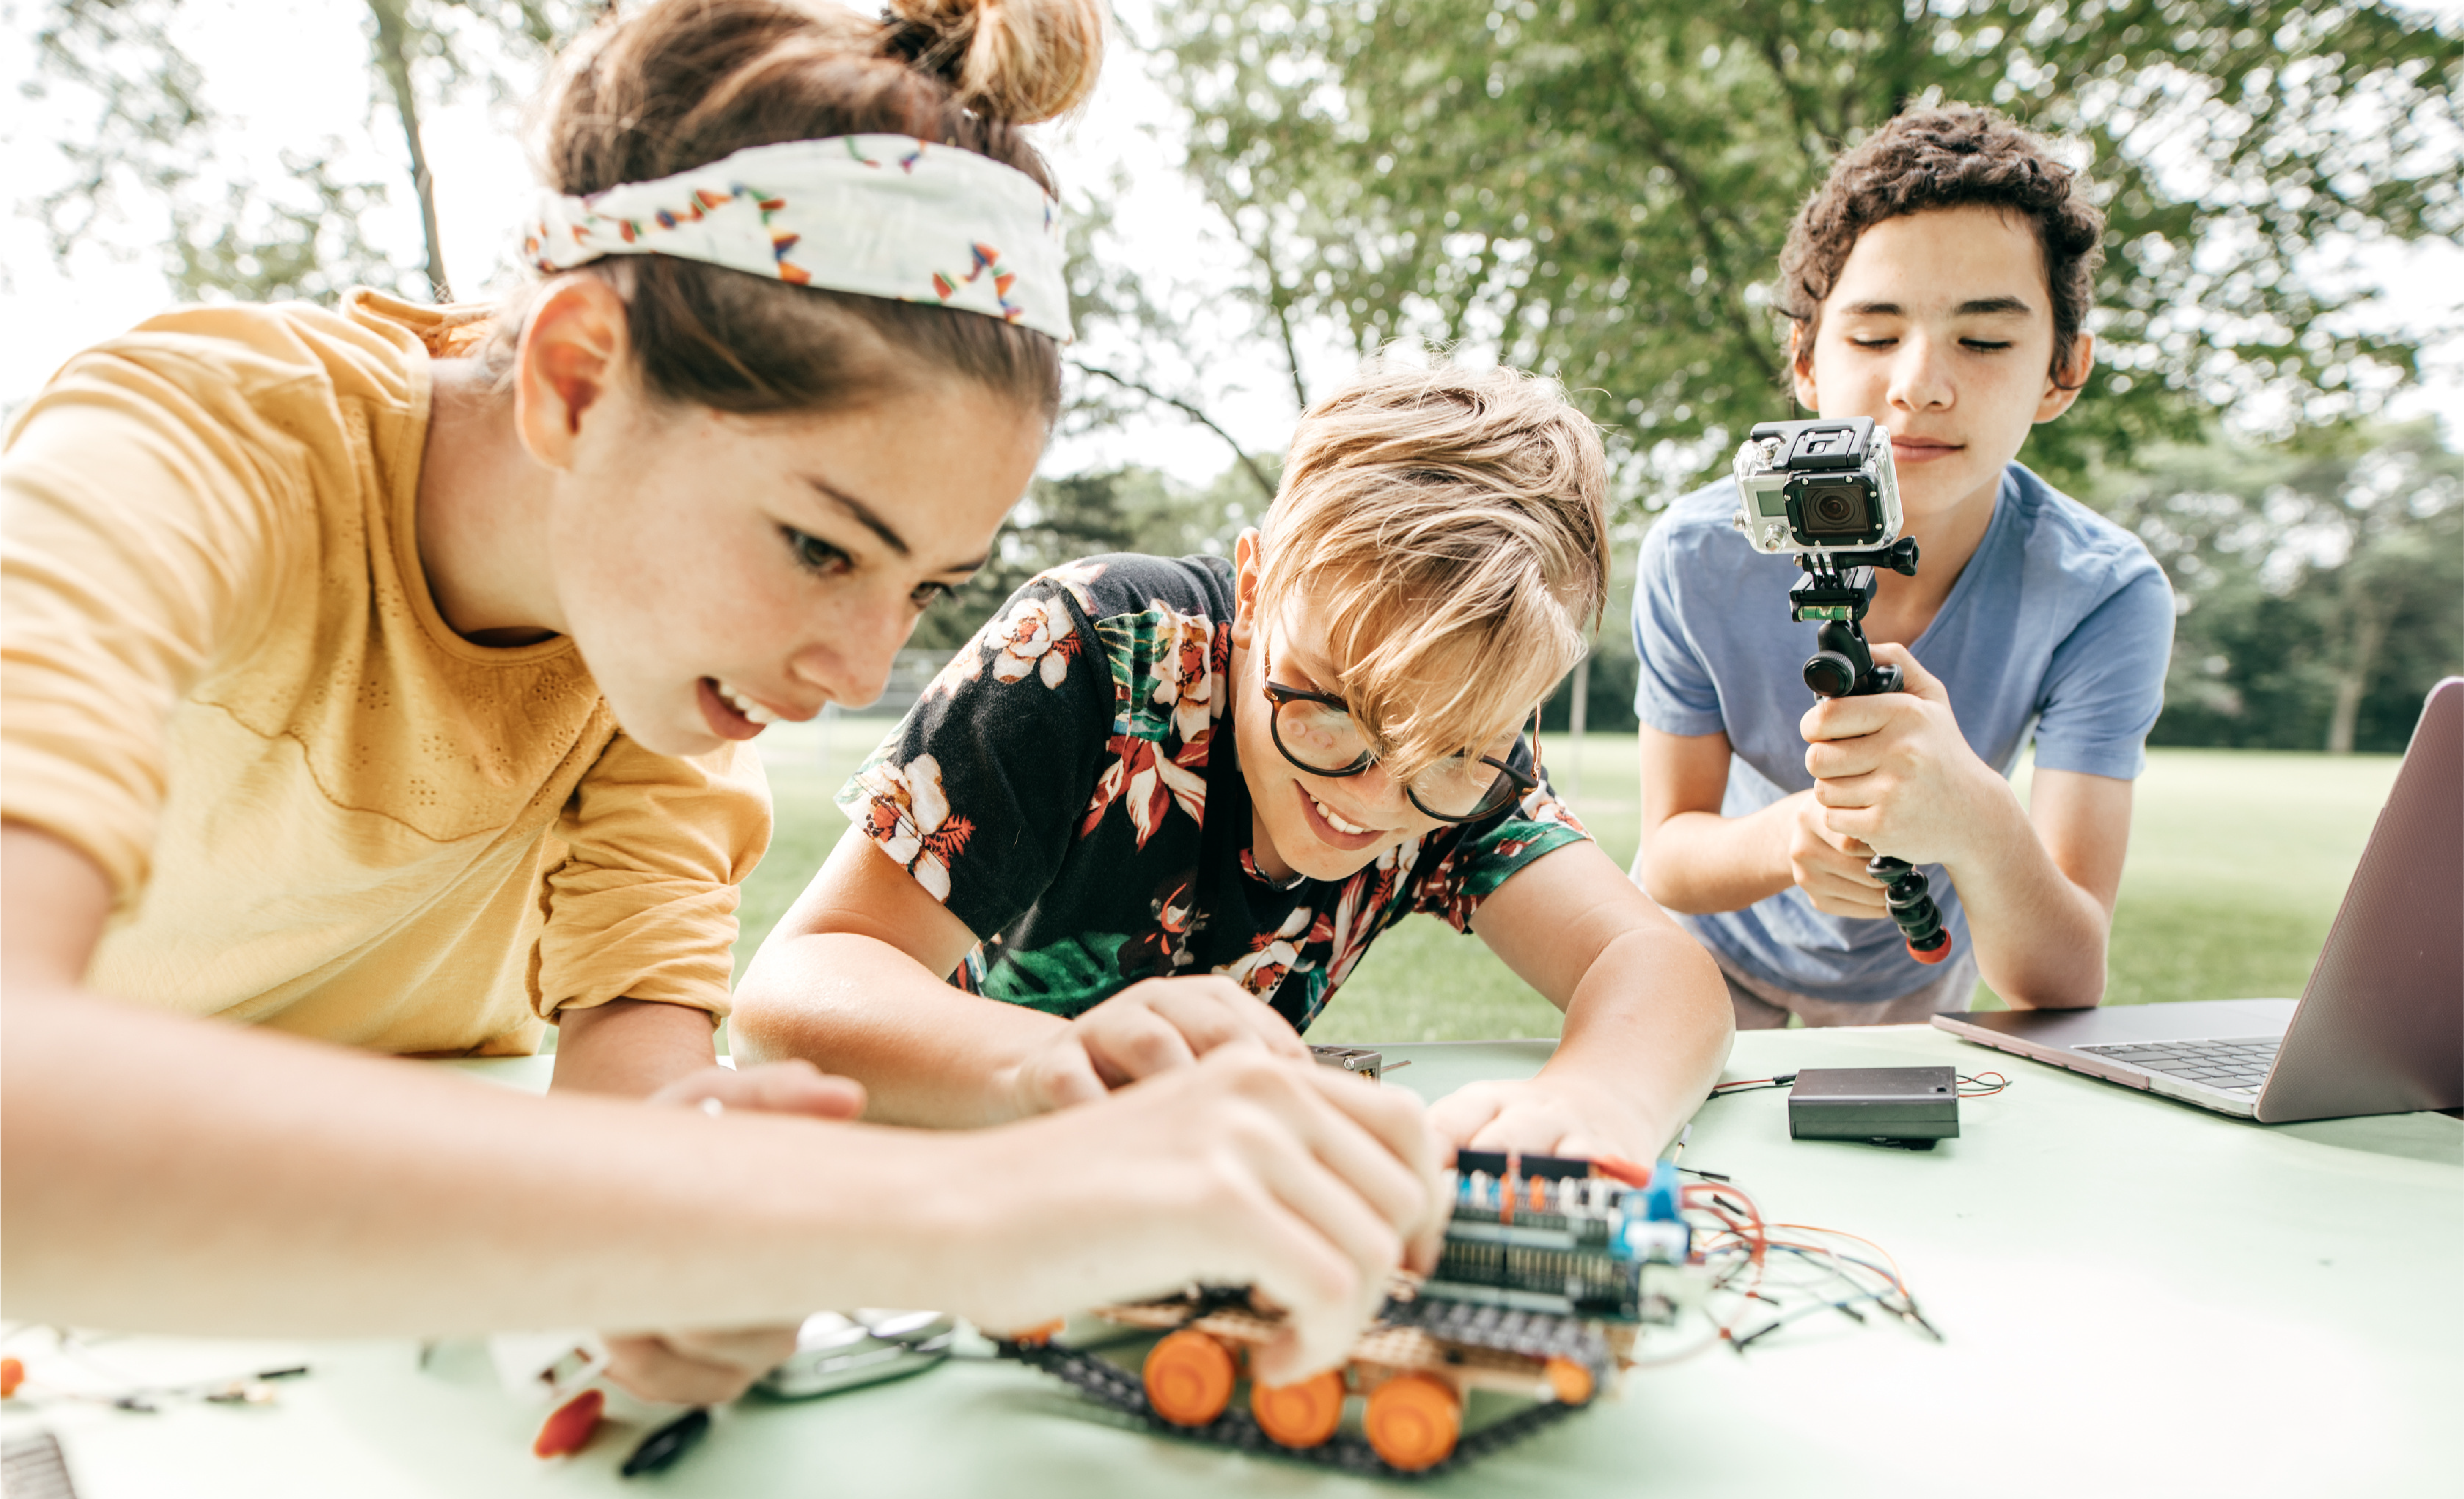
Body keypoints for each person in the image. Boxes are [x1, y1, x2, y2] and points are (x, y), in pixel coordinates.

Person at [1, 0, 1444, 1404]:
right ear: (576, 378)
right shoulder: (195, 444)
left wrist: (684, 1266)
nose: (856, 663)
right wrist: (945, 1212)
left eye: (922, 582)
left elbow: (637, 1123)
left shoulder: (669, 677)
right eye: (820, 544)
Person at [734, 364, 1734, 1164]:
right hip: (936, 1187)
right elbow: (793, 990)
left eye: (1453, 754)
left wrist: (1596, 1101)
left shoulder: (1463, 762)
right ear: (1254, 590)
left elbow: (1656, 966)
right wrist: (1062, 1063)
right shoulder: (1091, 648)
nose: (1376, 798)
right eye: (1332, 709)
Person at [1629, 106, 2175, 1027]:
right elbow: (1668, 853)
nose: (1919, 384)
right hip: (1706, 954)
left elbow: (2063, 979)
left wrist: (1978, 815)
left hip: (1915, 978)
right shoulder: (1697, 554)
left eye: (1987, 339)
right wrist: (1790, 837)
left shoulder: (2105, 593)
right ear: (1805, 361)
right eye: (1875, 336)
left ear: (2064, 370)